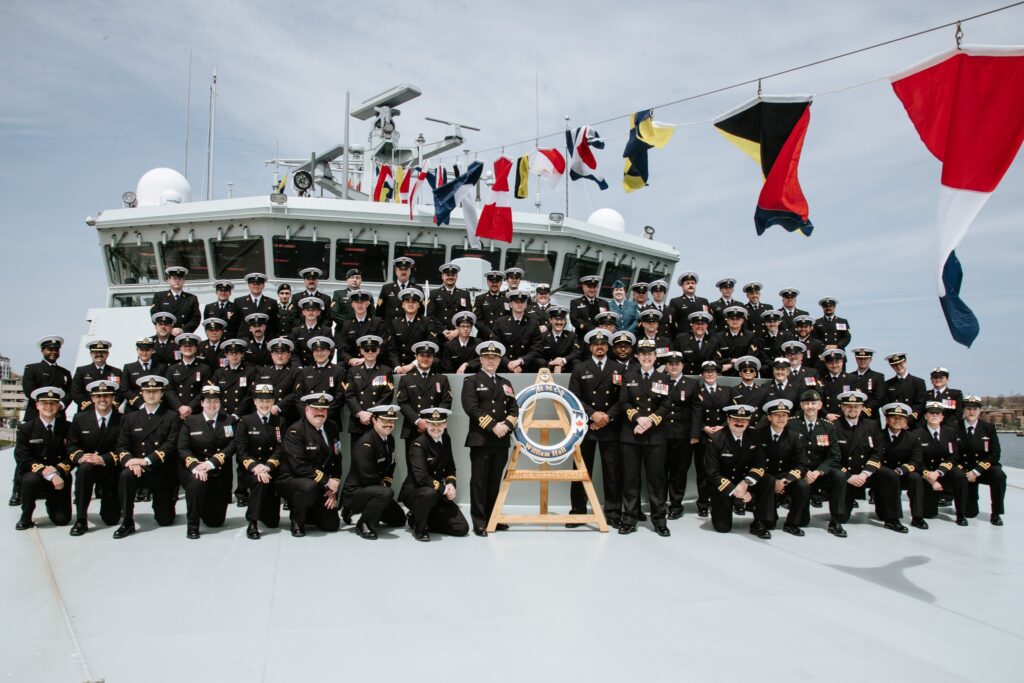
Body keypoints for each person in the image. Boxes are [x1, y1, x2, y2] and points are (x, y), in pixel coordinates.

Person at [461, 341, 518, 536]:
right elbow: (471, 408)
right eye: (487, 357)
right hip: (481, 439)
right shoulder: (471, 381)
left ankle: (493, 518)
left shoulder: (506, 383)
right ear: (481, 360)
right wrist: (494, 426)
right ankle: (479, 521)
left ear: (499, 360)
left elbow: (514, 409)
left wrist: (506, 427)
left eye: (494, 357)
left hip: (501, 440)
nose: (490, 360)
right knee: (479, 481)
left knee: (495, 481)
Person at [112, 376, 181, 538]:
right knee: (125, 476)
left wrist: (144, 461)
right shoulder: (130, 418)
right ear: (141, 394)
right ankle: (127, 521)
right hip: (137, 470)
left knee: (165, 520)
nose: (151, 394)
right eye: (147, 391)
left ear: (161, 394)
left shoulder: (171, 417)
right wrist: (130, 461)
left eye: (155, 391)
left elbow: (170, 446)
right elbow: (121, 446)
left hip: (160, 471)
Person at [567, 330, 623, 527]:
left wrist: (606, 416)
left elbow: (623, 399)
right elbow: (573, 398)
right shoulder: (580, 368)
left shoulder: (619, 368)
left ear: (608, 347)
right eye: (596, 344)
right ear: (590, 347)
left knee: (612, 472)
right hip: (586, 427)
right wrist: (593, 414)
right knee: (581, 470)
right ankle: (578, 511)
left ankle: (613, 512)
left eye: (603, 344)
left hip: (610, 425)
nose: (600, 347)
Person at [617, 339, 672, 536]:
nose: (647, 357)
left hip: (655, 436)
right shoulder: (629, 376)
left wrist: (650, 421)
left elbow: (666, 405)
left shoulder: (662, 378)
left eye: (650, 354)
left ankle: (659, 520)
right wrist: (638, 418)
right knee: (630, 479)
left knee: (657, 480)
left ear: (655, 357)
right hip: (631, 435)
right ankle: (629, 519)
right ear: (637, 357)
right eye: (643, 354)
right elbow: (623, 402)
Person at [833, 390, 906, 532]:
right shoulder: (834, 426)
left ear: (861, 408)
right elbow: (832, 456)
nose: (852, 409)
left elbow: (877, 452)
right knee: (842, 518)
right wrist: (849, 477)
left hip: (865, 473)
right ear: (842, 407)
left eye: (856, 406)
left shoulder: (871, 425)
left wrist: (865, 474)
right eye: (848, 406)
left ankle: (892, 519)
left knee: (890, 476)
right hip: (845, 476)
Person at [277, 392, 342, 537]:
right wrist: (327, 482)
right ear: (306, 410)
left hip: (319, 482)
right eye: (315, 409)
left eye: (323, 409)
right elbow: (299, 466)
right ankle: (297, 520)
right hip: (293, 480)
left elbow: (337, 458)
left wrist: (334, 486)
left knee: (331, 525)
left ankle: (309, 513)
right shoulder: (295, 431)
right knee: (308, 486)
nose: (320, 413)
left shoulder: (332, 427)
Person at [400, 408, 469, 541]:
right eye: (432, 424)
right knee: (429, 494)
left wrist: (451, 485)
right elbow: (421, 477)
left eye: (439, 424)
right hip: (417, 492)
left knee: (461, 528)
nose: (436, 428)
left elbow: (450, 467)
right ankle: (419, 529)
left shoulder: (446, 439)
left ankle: (417, 518)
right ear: (426, 424)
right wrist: (444, 490)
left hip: (436, 492)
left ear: (445, 424)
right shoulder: (418, 444)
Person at [177, 385, 237, 539]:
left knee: (215, 521)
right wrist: (196, 466)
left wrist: (212, 463)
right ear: (202, 403)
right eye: (208, 401)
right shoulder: (191, 421)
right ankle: (193, 524)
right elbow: (183, 448)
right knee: (196, 484)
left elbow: (232, 445)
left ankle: (203, 509)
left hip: (219, 470)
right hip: (197, 469)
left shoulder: (228, 420)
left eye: (216, 401)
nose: (212, 405)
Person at [704, 404, 773, 538]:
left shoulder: (754, 435)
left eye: (744, 420)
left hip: (745, 481)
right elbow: (712, 472)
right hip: (724, 485)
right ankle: (719, 506)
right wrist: (736, 492)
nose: (739, 423)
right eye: (736, 419)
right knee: (723, 527)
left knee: (768, 480)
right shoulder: (716, 439)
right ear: (728, 419)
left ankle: (759, 522)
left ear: (748, 421)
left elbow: (761, 464)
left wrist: (746, 482)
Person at [342, 405, 408, 539]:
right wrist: (383, 488)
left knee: (399, 519)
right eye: (384, 420)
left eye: (392, 421)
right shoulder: (366, 443)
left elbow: (391, 464)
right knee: (386, 493)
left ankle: (372, 508)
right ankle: (363, 524)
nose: (389, 424)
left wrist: (386, 483)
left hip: (375, 489)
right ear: (374, 420)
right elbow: (367, 476)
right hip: (356, 492)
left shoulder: (389, 440)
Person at [66, 380, 122, 535]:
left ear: (112, 398)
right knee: (83, 471)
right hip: (88, 466)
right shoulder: (80, 418)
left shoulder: (123, 420)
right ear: (92, 398)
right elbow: (71, 446)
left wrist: (104, 459)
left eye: (106, 396)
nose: (102, 399)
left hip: (110, 469)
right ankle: (81, 519)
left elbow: (125, 447)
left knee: (111, 519)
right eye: (98, 396)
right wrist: (82, 457)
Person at [789, 390, 848, 537]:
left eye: (813, 403)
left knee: (840, 476)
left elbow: (834, 455)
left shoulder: (828, 426)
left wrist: (819, 471)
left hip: (819, 473)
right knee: (803, 522)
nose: (810, 406)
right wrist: (803, 472)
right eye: (807, 403)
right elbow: (788, 453)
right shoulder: (792, 424)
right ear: (802, 406)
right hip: (800, 473)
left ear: (820, 405)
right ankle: (797, 517)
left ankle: (836, 520)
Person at [14, 388, 72, 530]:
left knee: (62, 520)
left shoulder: (68, 428)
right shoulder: (26, 428)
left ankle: (52, 504)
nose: (49, 406)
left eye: (53, 403)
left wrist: (58, 469)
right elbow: (22, 457)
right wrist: (49, 474)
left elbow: (72, 454)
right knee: (30, 480)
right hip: (35, 475)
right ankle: (26, 516)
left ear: (58, 405)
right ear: (37, 405)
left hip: (60, 475)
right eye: (44, 403)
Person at [235, 384, 286, 540]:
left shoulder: (280, 421)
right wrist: (256, 467)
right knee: (259, 481)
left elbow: (280, 448)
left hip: (272, 469)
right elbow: (241, 451)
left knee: (272, 522)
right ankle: (253, 523)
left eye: (269, 401)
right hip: (251, 470)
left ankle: (253, 510)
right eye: (261, 401)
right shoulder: (245, 421)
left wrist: (268, 466)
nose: (265, 405)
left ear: (273, 401)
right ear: (255, 401)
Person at [755, 399, 811, 536]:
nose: (781, 418)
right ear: (769, 417)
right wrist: (773, 481)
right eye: (777, 415)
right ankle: (760, 522)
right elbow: (755, 461)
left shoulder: (794, 437)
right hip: (764, 477)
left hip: (785, 477)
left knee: (803, 486)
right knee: (770, 523)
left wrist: (785, 481)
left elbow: (802, 464)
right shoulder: (758, 435)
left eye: (784, 415)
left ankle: (792, 523)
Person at [915, 402, 969, 526]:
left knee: (960, 475)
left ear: (942, 417)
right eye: (931, 413)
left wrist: (939, 473)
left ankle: (961, 514)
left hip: (945, 472)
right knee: (929, 514)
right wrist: (931, 479)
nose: (934, 415)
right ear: (925, 416)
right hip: (927, 474)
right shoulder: (917, 434)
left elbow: (954, 456)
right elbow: (917, 460)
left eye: (937, 413)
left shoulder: (950, 433)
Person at [661, 351, 700, 519]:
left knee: (679, 471)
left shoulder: (691, 384)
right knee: (660, 471)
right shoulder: (660, 381)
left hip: (683, 436)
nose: (674, 366)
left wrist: (695, 434)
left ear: (682, 365)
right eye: (670, 364)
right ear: (666, 366)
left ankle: (676, 505)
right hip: (661, 434)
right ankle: (660, 503)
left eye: (677, 364)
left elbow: (697, 410)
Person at [396, 341, 453, 455]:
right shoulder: (406, 379)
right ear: (416, 357)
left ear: (433, 358)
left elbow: (446, 402)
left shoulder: (442, 379)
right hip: (413, 428)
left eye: (429, 356)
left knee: (436, 465)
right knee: (413, 467)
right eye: (422, 355)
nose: (425, 359)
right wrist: (418, 421)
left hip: (436, 428)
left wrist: (432, 422)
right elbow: (402, 403)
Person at [879, 402, 927, 530]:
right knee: (881, 514)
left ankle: (917, 517)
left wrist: (901, 470)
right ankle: (890, 518)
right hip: (883, 476)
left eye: (901, 418)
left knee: (916, 477)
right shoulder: (878, 436)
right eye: (894, 417)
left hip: (903, 474)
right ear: (887, 419)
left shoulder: (913, 438)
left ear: (906, 421)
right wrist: (890, 473)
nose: (897, 421)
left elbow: (916, 461)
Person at [958, 395, 1005, 525]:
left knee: (999, 475)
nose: (971, 412)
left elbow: (995, 454)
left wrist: (977, 471)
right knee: (970, 513)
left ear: (979, 411)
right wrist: (967, 472)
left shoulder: (988, 428)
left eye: (975, 409)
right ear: (964, 410)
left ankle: (996, 513)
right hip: (965, 471)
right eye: (968, 409)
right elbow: (953, 454)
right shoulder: (955, 428)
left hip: (983, 469)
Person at [693, 360, 731, 517]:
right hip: (704, 436)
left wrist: (722, 426)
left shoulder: (727, 391)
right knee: (703, 472)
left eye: (713, 372)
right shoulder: (696, 391)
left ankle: (721, 500)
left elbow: (731, 412)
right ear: (702, 375)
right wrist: (704, 428)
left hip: (722, 436)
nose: (710, 374)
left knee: (722, 470)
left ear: (717, 374)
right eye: (706, 372)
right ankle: (703, 503)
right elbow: (693, 414)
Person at [344, 335, 395, 450]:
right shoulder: (353, 371)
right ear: (361, 351)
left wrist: (371, 414)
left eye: (373, 349)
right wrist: (361, 413)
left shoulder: (386, 371)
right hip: (358, 422)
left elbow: (387, 395)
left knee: (379, 457)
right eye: (366, 349)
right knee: (358, 458)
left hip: (378, 421)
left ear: (378, 351)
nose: (370, 352)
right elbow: (349, 395)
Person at [294, 336, 347, 418]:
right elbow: (298, 397)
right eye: (316, 351)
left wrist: (322, 414)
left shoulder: (338, 371)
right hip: (308, 418)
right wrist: (307, 414)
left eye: (322, 350)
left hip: (330, 418)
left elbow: (339, 398)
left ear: (329, 352)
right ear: (312, 353)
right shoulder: (305, 372)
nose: (319, 353)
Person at [334, 289, 388, 369]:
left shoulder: (377, 322)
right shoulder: (347, 324)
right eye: (357, 302)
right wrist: (350, 360)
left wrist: (364, 359)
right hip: (353, 363)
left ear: (367, 304)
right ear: (352, 304)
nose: (360, 305)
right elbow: (342, 348)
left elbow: (383, 346)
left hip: (373, 361)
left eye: (362, 302)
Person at [491, 290, 542, 373]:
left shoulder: (533, 323)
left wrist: (521, 360)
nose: (519, 304)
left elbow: (537, 348)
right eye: (516, 302)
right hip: (504, 366)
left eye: (522, 302)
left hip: (525, 366)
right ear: (510, 304)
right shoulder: (500, 322)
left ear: (526, 305)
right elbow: (496, 346)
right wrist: (508, 363)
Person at [164, 333, 210, 420]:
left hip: (196, 412)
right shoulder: (172, 369)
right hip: (176, 412)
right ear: (180, 349)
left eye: (191, 346)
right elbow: (168, 390)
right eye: (184, 346)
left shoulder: (204, 368)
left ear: (196, 349)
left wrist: (190, 408)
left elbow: (204, 391)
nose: (188, 348)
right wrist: (180, 407)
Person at [253, 338, 299, 425]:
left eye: (283, 353)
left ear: (289, 354)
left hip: (285, 415)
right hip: (263, 413)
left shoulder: (296, 372)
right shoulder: (263, 371)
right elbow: (255, 391)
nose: (279, 356)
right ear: (271, 355)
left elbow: (295, 394)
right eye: (276, 353)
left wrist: (278, 406)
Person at [389, 288, 433, 373]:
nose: (410, 304)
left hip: (419, 365)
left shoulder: (427, 322)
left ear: (419, 305)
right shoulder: (395, 323)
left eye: (414, 302)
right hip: (400, 366)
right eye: (407, 302)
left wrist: (413, 364)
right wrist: (397, 367)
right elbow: (392, 349)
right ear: (402, 304)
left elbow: (430, 347)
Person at [70, 340, 123, 410]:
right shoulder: (82, 371)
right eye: (95, 352)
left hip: (110, 411)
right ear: (91, 354)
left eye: (102, 352)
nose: (99, 354)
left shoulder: (116, 372)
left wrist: (112, 404)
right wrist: (89, 406)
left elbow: (121, 392)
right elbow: (75, 392)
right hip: (87, 412)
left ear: (107, 354)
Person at [426, 262, 472, 340]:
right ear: (442, 276)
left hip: (458, 336)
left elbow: (468, 315)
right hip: (440, 336)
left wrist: (457, 330)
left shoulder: (464, 294)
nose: (450, 277)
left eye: (453, 275)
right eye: (447, 275)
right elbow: (431, 316)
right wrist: (444, 330)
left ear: (457, 276)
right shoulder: (434, 294)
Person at [150, 265, 201, 334]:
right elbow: (155, 315)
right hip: (166, 335)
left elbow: (196, 319)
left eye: (180, 279)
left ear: (183, 281)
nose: (177, 281)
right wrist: (170, 330)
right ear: (168, 280)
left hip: (184, 336)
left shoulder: (191, 298)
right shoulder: (159, 296)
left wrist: (183, 330)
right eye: (174, 278)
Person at [122, 337, 167, 412]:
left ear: (152, 351)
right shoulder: (128, 368)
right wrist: (140, 404)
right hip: (134, 408)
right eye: (141, 350)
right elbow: (125, 389)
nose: (144, 353)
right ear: (137, 350)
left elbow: (165, 389)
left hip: (156, 407)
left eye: (147, 350)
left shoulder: (161, 367)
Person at [884, 353, 927, 429]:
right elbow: (886, 404)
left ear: (905, 362)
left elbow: (920, 404)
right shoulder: (887, 384)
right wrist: (895, 421)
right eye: (895, 365)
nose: (898, 366)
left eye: (900, 363)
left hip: (912, 424)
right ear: (891, 366)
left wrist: (906, 420)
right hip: (894, 424)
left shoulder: (918, 382)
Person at [533, 306, 580, 373]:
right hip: (546, 371)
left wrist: (563, 360)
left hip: (565, 370)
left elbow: (576, 352)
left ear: (565, 321)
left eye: (562, 319)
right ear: (550, 320)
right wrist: (550, 363)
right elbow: (536, 356)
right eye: (556, 319)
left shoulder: (571, 336)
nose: (559, 322)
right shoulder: (543, 336)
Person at [234, 272, 281, 338]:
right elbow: (235, 324)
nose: (256, 286)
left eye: (259, 284)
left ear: (263, 286)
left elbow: (275, 324)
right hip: (245, 339)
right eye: (253, 284)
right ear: (249, 285)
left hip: (266, 340)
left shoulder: (271, 302)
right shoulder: (239, 301)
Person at [715, 306, 758, 375]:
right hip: (725, 372)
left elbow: (751, 356)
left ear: (742, 321)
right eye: (732, 319)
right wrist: (730, 360)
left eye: (738, 319)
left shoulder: (750, 336)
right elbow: (716, 358)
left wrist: (738, 362)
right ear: (727, 320)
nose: (735, 321)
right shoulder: (719, 337)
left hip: (744, 371)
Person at [377, 256, 420, 323]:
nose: (403, 272)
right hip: (390, 328)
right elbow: (379, 310)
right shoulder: (386, 288)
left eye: (406, 269)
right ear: (396, 271)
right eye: (401, 269)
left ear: (410, 271)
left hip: (411, 328)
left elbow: (421, 311)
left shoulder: (417, 289)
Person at [290, 296, 332, 367]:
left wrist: (320, 365)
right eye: (308, 310)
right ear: (303, 312)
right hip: (301, 368)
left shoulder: (326, 331)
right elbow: (293, 353)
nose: (311, 312)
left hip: (320, 367)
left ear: (318, 312)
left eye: (313, 310)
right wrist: (299, 367)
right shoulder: (296, 331)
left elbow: (330, 351)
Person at [675, 311, 719, 375]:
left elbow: (715, 361)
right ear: (692, 325)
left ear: (707, 325)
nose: (700, 326)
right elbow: (677, 360)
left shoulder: (713, 340)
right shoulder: (681, 339)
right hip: (686, 375)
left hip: (705, 375)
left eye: (703, 324)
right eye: (697, 324)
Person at [667, 272, 709, 338]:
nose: (690, 285)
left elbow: (710, 321)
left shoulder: (703, 301)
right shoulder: (675, 301)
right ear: (682, 286)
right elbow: (671, 323)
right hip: (684, 338)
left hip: (702, 337)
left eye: (692, 283)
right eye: (687, 283)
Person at [849, 347, 886, 419]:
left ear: (870, 359)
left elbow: (878, 398)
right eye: (860, 358)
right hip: (852, 416)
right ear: (856, 359)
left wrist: (862, 411)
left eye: (865, 359)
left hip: (870, 416)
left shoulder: (878, 377)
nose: (862, 361)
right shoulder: (849, 377)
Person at [472, 270, 508, 342]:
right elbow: (477, 319)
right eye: (492, 282)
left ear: (501, 283)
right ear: (487, 282)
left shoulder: (507, 299)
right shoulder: (480, 299)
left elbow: (509, 318)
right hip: (484, 337)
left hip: (502, 337)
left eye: (497, 282)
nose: (494, 284)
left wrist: (500, 333)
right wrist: (490, 333)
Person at [819, 348, 854, 420]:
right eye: (831, 363)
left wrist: (841, 415)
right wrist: (827, 414)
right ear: (826, 364)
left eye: (837, 362)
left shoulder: (852, 379)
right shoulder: (820, 380)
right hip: (826, 419)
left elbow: (853, 402)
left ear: (842, 362)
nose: (834, 365)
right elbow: (818, 401)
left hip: (845, 418)